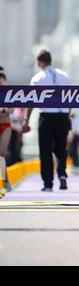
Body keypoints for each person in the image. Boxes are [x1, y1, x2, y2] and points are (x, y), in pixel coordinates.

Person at [23, 50, 71, 192]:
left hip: (47, 117)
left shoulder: (37, 78)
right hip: (62, 116)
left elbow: (31, 100)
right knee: (61, 148)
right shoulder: (64, 76)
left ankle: (48, 183)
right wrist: (67, 115)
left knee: (45, 150)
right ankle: (62, 174)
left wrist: (27, 120)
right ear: (50, 61)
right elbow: (71, 98)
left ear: (39, 63)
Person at [0, 70, 13, 198]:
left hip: (5, 126)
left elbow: (11, 109)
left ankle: (5, 182)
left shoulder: (9, 92)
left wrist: (4, 109)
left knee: (1, 155)